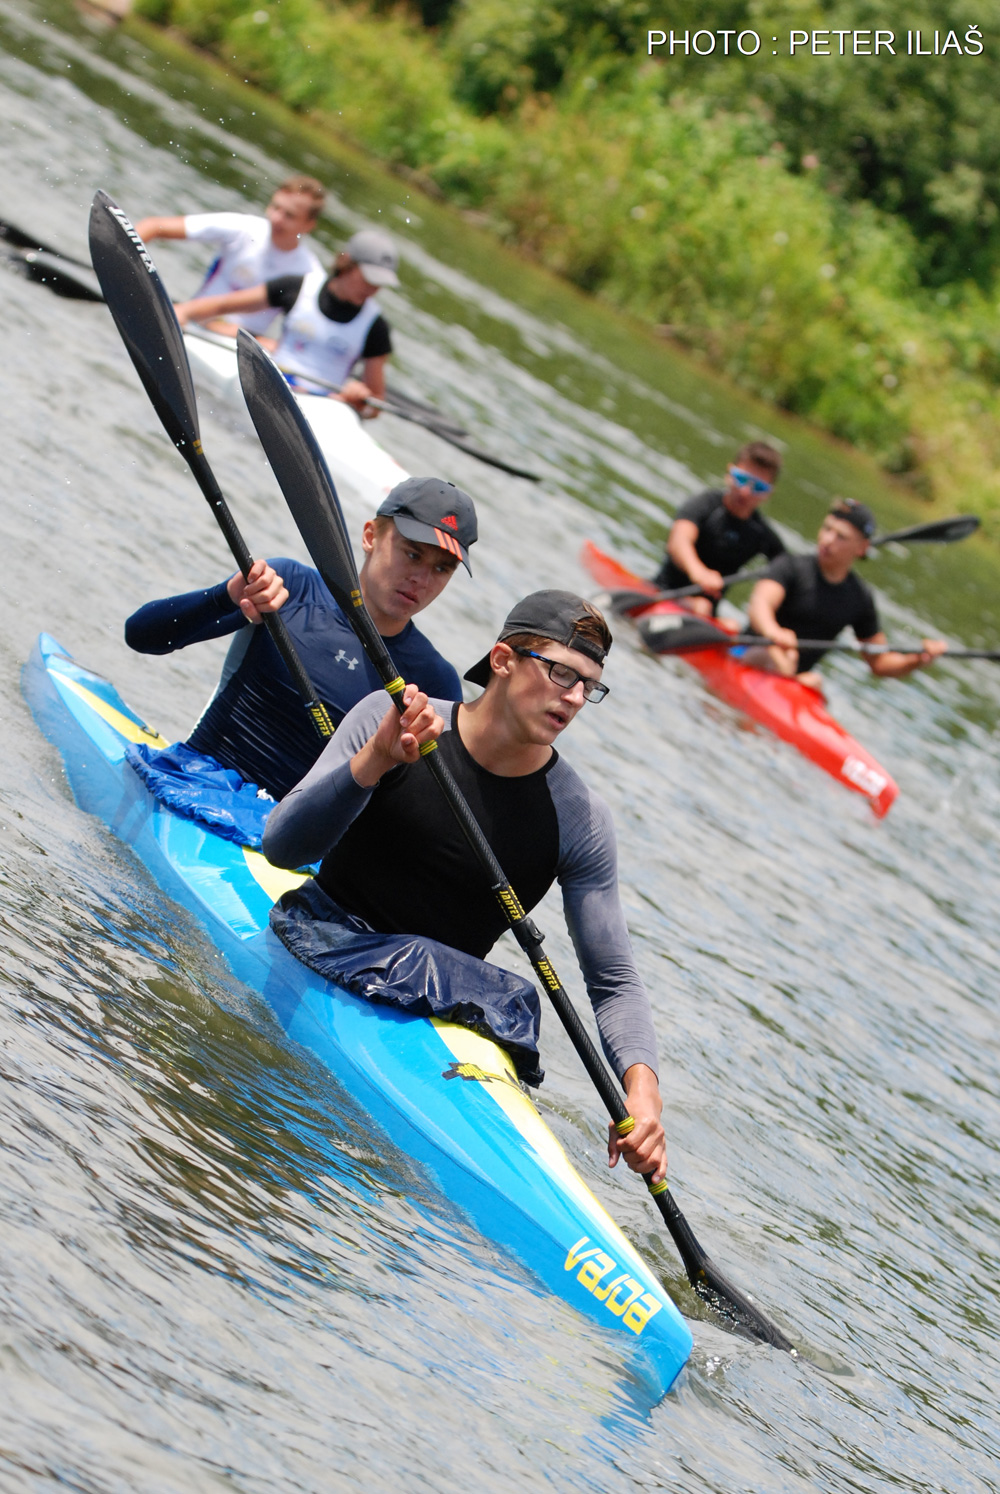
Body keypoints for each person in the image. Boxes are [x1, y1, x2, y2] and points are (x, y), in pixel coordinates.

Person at [263, 591, 668, 1183]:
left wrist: (644, 1098)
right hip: (324, 941)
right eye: (561, 674)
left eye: (589, 686)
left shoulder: (579, 818)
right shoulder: (393, 717)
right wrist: (375, 759)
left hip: (445, 1008)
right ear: (503, 659)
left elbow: (612, 980)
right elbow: (283, 847)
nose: (576, 698)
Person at [124, 478, 477, 800]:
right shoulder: (288, 586)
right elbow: (140, 636)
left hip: (295, 840)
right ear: (370, 536)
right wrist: (226, 597)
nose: (421, 578)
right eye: (412, 554)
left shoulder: (435, 682)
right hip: (194, 784)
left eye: (441, 568)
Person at [173, 228, 399, 415]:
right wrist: (183, 312)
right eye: (368, 278)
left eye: (380, 283)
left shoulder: (376, 328)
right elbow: (223, 305)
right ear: (346, 262)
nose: (373, 288)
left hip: (325, 406)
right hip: (272, 383)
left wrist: (360, 401)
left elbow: (375, 404)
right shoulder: (297, 287)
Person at [746, 499, 947, 689]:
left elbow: (880, 662)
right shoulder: (790, 565)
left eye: (841, 536)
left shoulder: (859, 597)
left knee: (813, 682)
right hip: (746, 653)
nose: (827, 540)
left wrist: (916, 659)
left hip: (793, 681)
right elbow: (760, 605)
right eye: (826, 528)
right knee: (787, 661)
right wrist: (774, 632)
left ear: (861, 548)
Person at [134, 176, 326, 337]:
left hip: (236, 346)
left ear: (309, 225)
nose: (276, 218)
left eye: (289, 216)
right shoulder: (243, 228)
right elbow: (153, 226)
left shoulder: (311, 274)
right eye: (275, 207)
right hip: (190, 323)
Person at [654, 442, 786, 616]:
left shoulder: (761, 534)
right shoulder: (705, 504)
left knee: (711, 611)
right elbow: (679, 541)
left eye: (758, 487)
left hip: (706, 614)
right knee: (700, 607)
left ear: (768, 493)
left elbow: (787, 573)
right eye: (742, 479)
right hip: (662, 592)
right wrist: (699, 573)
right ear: (729, 473)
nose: (746, 491)